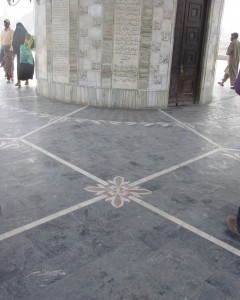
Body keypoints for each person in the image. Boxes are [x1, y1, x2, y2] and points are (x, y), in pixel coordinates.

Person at [12, 23, 29, 87]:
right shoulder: (25, 31)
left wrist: (15, 51)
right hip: (25, 51)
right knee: (26, 65)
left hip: (19, 52)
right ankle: (27, 81)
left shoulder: (16, 32)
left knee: (19, 66)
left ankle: (19, 82)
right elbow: (29, 40)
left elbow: (14, 42)